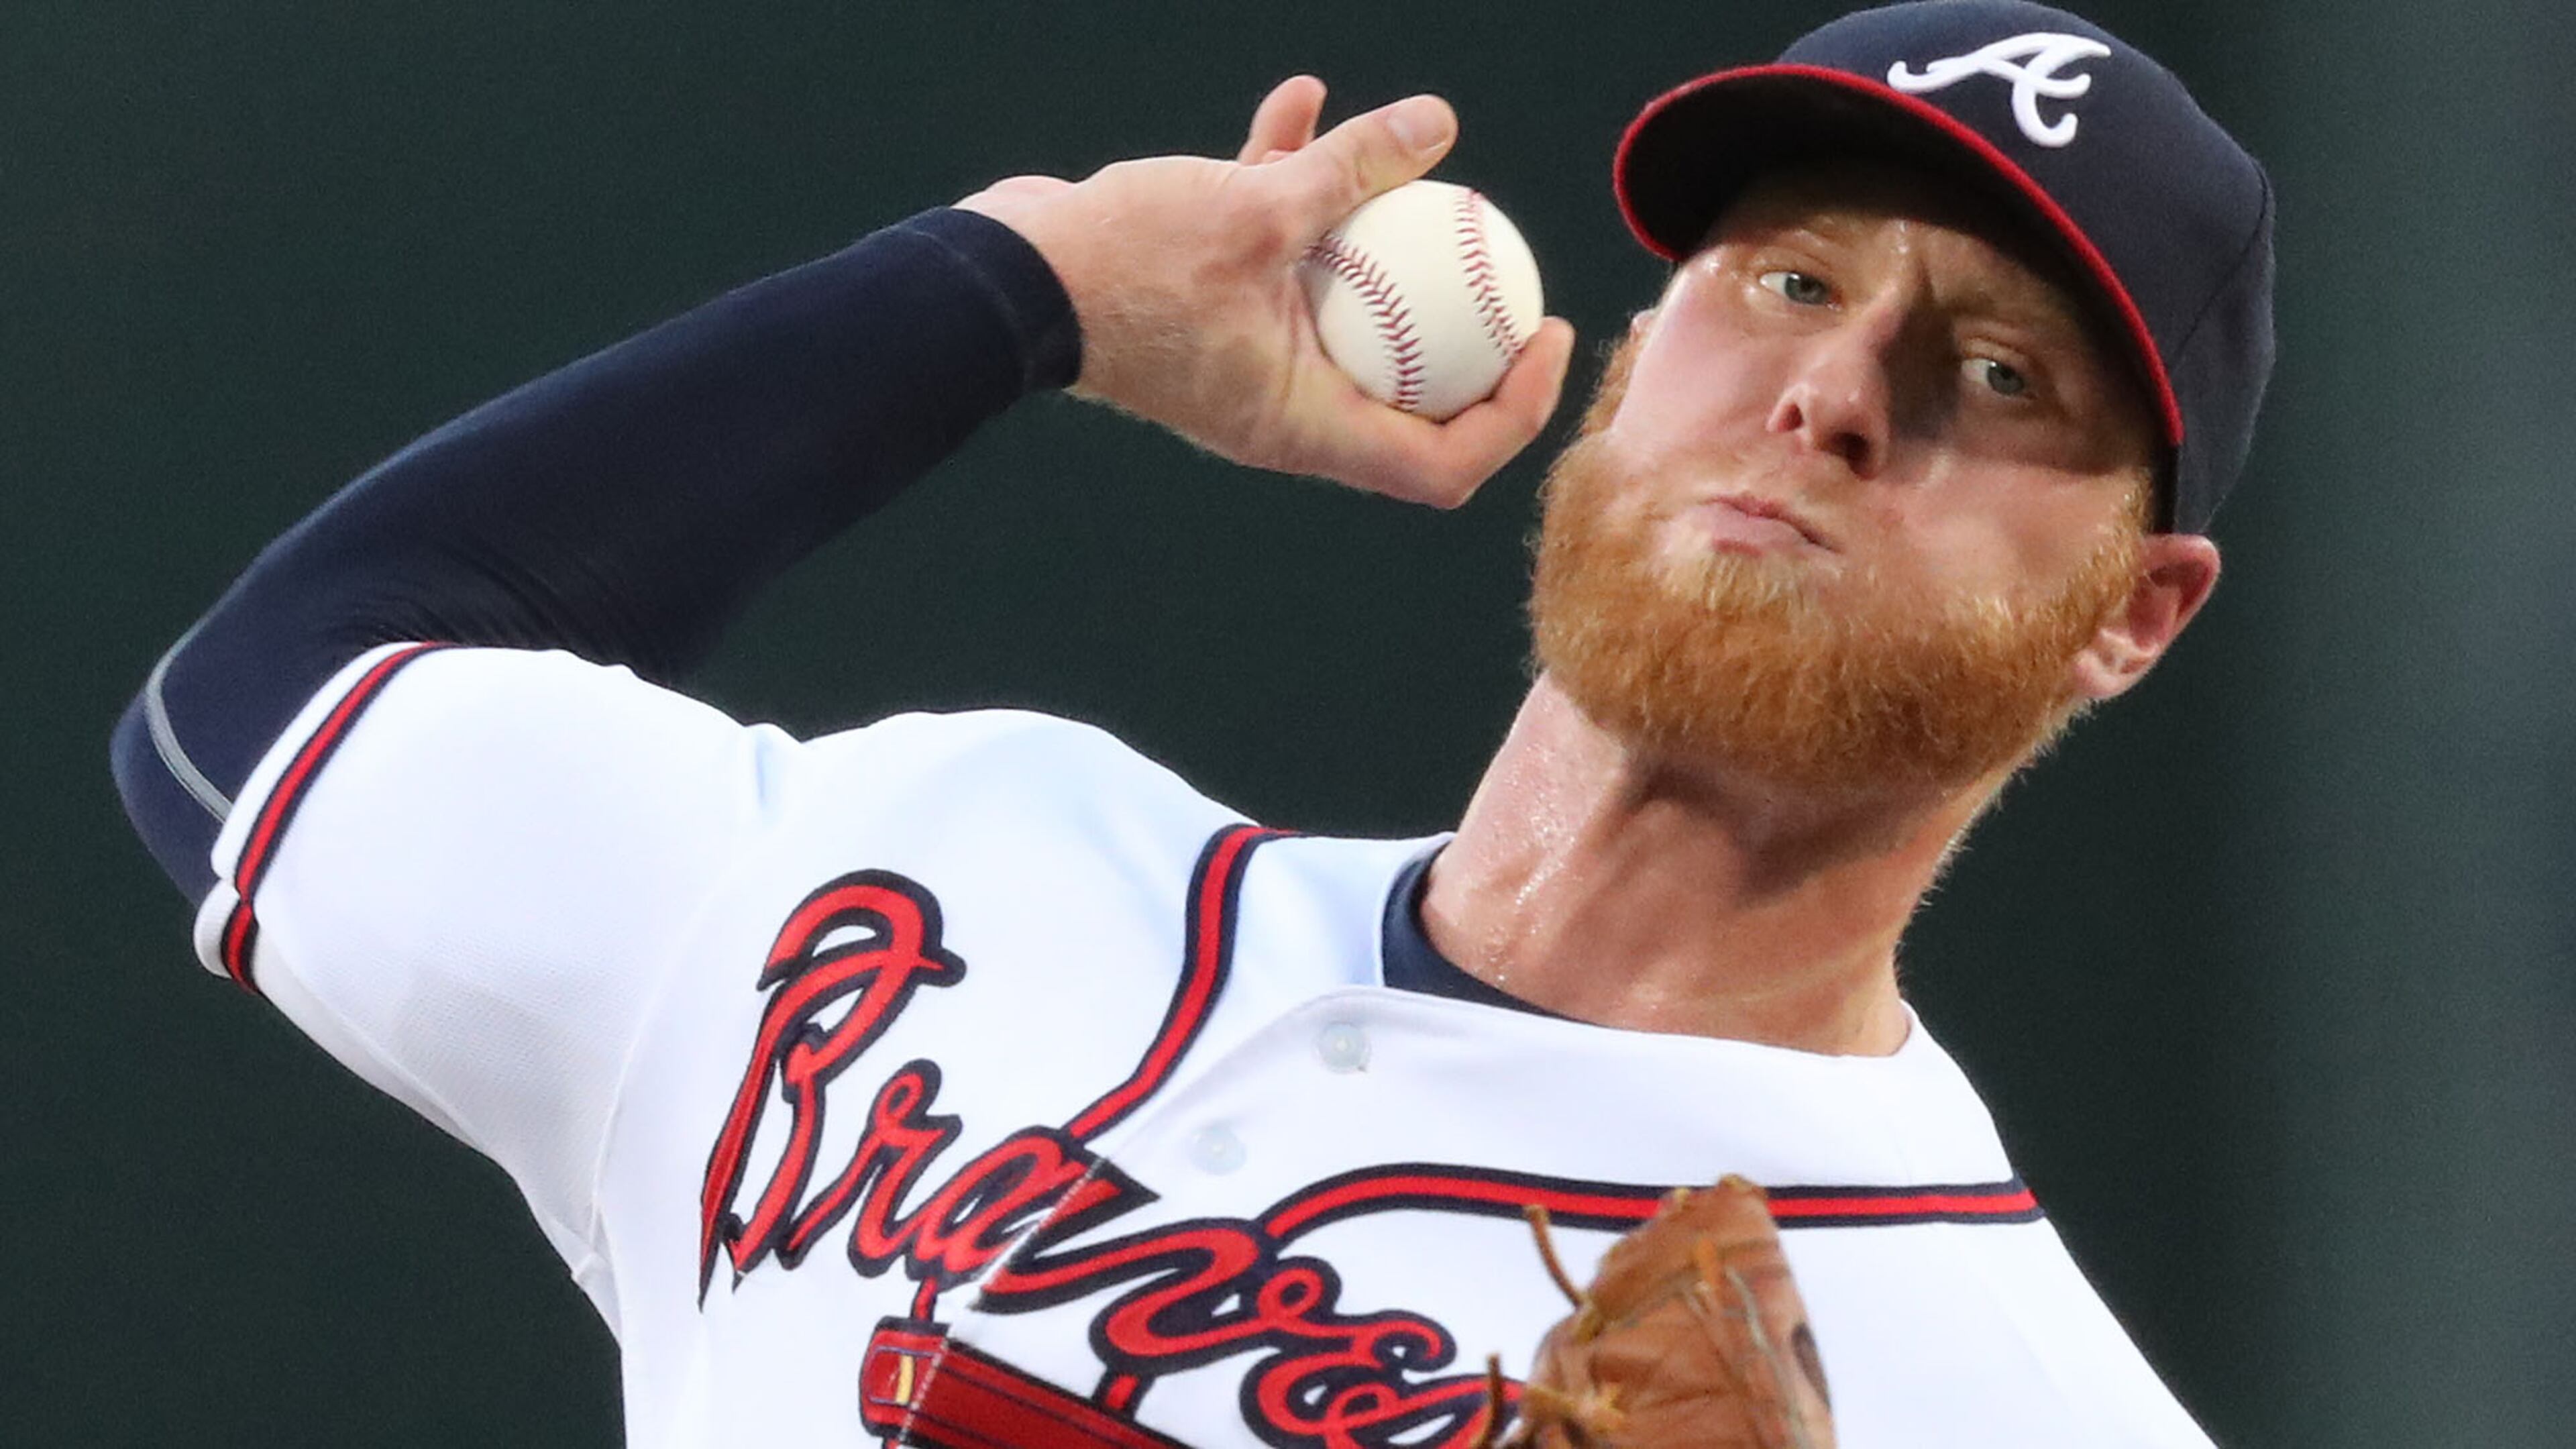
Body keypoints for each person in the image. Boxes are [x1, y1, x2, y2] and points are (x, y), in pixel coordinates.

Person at [111, 1, 2272, 1444]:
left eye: (1999, 377)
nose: (1834, 393)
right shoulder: (951, 865)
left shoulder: (2013, 1404)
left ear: (2135, 618)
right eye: (1789, 282)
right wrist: (1022, 283)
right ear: (1624, 373)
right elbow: (269, 711)